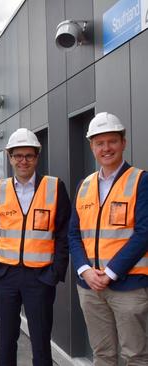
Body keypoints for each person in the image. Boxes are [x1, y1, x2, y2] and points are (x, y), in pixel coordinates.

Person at [0, 128, 70, 366]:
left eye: (29, 156)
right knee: (6, 341)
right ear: (10, 158)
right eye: (18, 156)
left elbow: (64, 234)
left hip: (40, 277)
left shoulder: (54, 188)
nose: (23, 161)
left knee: (41, 343)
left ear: (37, 157)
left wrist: (55, 272)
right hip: (5, 275)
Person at [68, 112, 148, 365]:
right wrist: (84, 271)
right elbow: (73, 233)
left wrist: (112, 271)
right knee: (102, 355)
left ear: (123, 143)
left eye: (112, 141)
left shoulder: (140, 180)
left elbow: (145, 232)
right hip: (90, 286)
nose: (106, 148)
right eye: (99, 143)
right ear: (91, 146)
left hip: (129, 285)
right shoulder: (84, 185)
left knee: (135, 355)